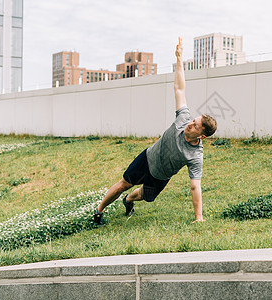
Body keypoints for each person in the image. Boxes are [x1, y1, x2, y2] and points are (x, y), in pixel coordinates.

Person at [93, 37, 217, 224]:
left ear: (202, 136)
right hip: (148, 158)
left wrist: (198, 217)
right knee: (123, 185)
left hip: (161, 175)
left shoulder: (195, 155)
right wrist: (179, 59)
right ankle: (98, 212)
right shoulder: (183, 118)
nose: (190, 124)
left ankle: (128, 201)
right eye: (193, 120)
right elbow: (179, 88)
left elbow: (195, 187)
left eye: (195, 125)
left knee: (146, 196)